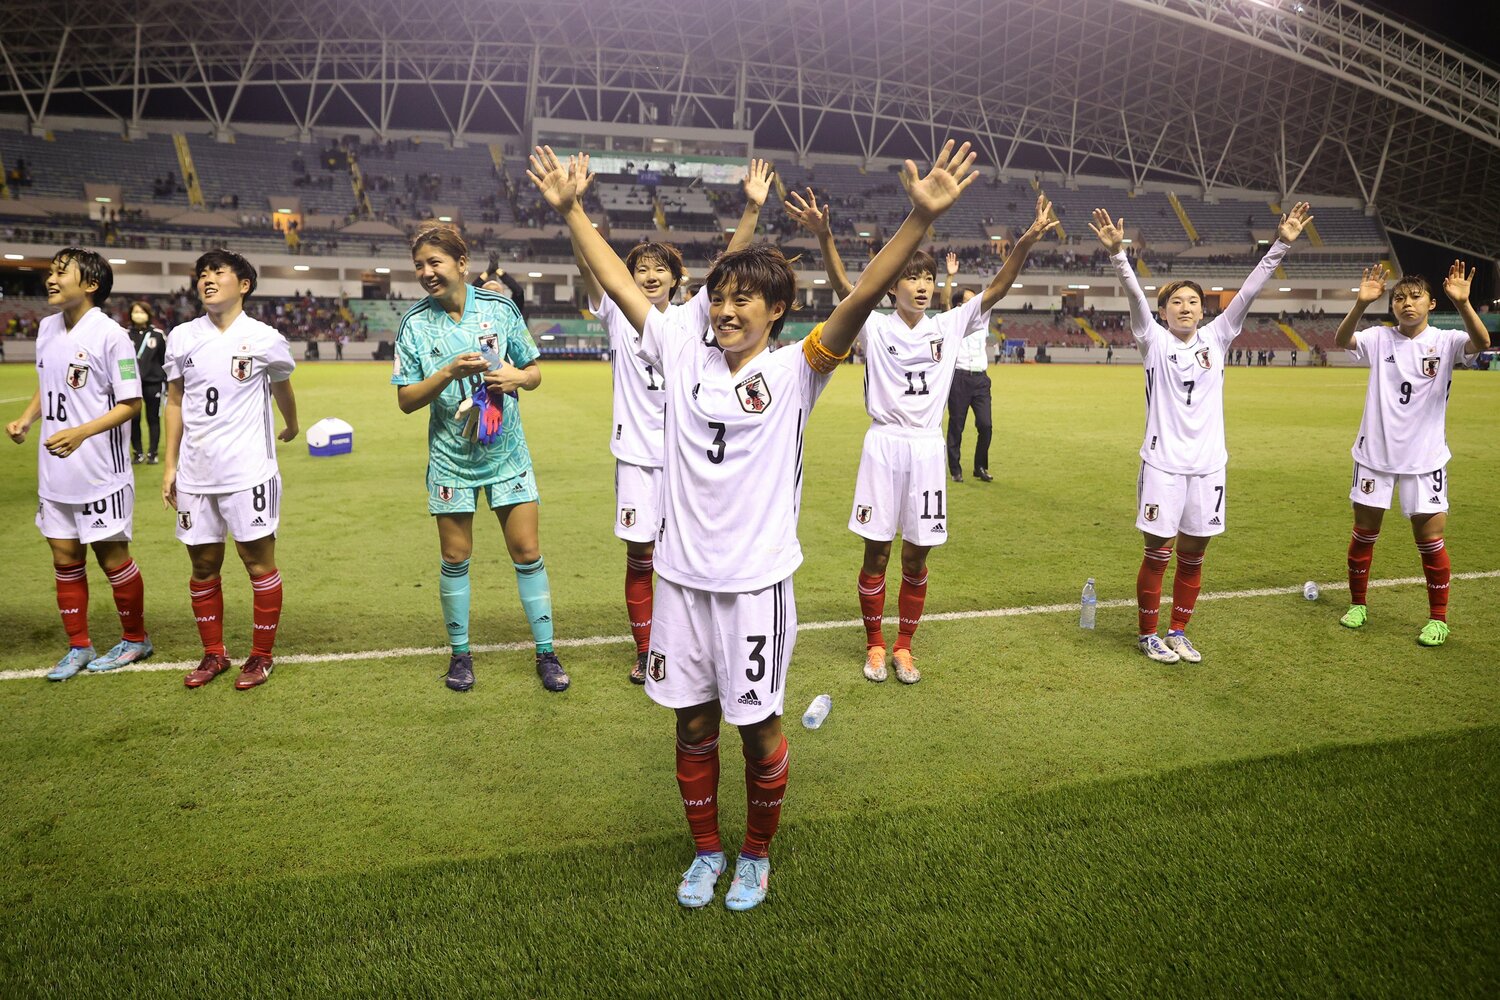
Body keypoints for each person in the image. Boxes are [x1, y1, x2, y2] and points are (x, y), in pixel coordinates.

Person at [531, 140, 977, 911]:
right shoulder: (677, 345)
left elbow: (867, 292)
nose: (729, 309)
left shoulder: (799, 367)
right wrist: (573, 211)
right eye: (722, 296)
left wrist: (917, 220)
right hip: (679, 580)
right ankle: (707, 852)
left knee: (758, 730)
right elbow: (610, 274)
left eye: (746, 300)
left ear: (776, 311)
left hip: (754, 587)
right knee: (691, 724)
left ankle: (756, 856)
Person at [789, 189, 1053, 683]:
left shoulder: (950, 325)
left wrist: (1025, 242)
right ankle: (874, 644)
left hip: (928, 448)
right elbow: (846, 287)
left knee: (916, 553)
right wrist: (825, 237)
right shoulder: (874, 325)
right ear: (892, 287)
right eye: (911, 276)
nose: (923, 285)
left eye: (928, 277)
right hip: (884, 445)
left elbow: (997, 287)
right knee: (878, 552)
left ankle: (904, 646)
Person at [569, 160, 774, 683]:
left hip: (690, 460)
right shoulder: (618, 311)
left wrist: (751, 206)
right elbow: (595, 270)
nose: (650, 275)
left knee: (684, 559)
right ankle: (646, 650)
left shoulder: (694, 316)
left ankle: (690, 645)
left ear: (678, 279)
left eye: (660, 268)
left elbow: (731, 262)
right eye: (641, 269)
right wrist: (574, 212)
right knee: (640, 558)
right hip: (638, 456)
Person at [1090, 203, 1312, 664]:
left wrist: (1282, 244)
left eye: (1193, 301)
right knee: (1158, 553)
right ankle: (1148, 634)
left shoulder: (1218, 336)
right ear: (1163, 312)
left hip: (1209, 466)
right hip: (1164, 464)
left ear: (1203, 308)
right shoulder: (1152, 341)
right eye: (1176, 302)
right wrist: (1118, 256)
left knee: (1194, 555)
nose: (1186, 308)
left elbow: (1250, 290)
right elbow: (1133, 295)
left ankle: (1179, 630)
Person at [392, 223, 566, 693]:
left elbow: (533, 373)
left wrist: (516, 378)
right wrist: (448, 372)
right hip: (451, 458)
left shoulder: (499, 309)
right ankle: (460, 655)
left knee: (527, 552)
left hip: (506, 453)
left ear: (461, 263)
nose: (427, 273)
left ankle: (547, 653)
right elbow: (407, 400)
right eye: (420, 266)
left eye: (435, 262)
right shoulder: (415, 324)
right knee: (455, 556)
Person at [7, 248, 150, 680]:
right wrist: (28, 419)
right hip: (55, 470)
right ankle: (79, 646)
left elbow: (131, 403)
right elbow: (47, 381)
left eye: (61, 272)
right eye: (50, 271)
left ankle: (135, 638)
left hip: (99, 471)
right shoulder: (48, 327)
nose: (50, 278)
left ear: (90, 285)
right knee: (64, 556)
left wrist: (81, 432)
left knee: (112, 558)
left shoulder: (112, 335)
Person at [162, 251, 298, 690]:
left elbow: (282, 386)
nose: (207, 279)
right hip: (196, 474)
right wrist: (170, 466)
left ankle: (260, 657)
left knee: (257, 564)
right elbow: (176, 401)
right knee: (203, 565)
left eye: (218, 272)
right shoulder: (181, 337)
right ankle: (214, 655)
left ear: (244, 285)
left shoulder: (264, 337)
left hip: (248, 473)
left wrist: (292, 424)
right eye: (202, 274)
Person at [1334, 262, 1489, 646]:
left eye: (1415, 297)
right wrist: (1359, 303)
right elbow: (1342, 341)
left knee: (1431, 539)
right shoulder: (1379, 337)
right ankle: (1358, 605)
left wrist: (1466, 304)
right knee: (1364, 533)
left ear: (1432, 303)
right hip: (1375, 455)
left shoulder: (1446, 340)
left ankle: (1438, 619)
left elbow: (1482, 344)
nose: (1407, 303)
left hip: (1425, 458)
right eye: (1399, 298)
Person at [126, 300, 168, 464]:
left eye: (142, 312)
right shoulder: (125, 335)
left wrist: (167, 382)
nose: (138, 315)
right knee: (133, 420)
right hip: (131, 385)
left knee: (153, 419)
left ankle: (153, 453)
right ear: (130, 314)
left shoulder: (158, 335)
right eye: (135, 312)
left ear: (148, 314)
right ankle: (138, 453)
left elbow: (165, 360)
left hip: (153, 383)